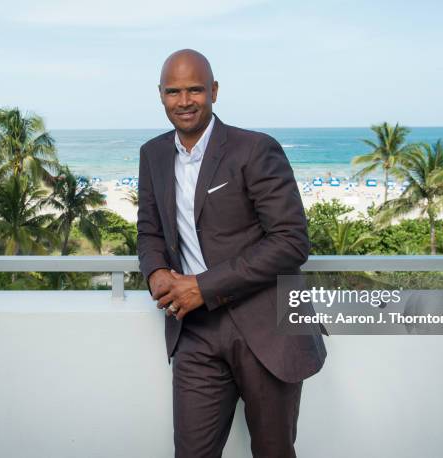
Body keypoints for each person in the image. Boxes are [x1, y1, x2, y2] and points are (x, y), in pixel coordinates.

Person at [137, 49, 326, 458]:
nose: (184, 101)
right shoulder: (152, 154)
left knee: (272, 452)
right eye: (173, 91)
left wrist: (203, 287)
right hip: (195, 332)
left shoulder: (254, 149)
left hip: (265, 326)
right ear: (160, 95)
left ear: (214, 92)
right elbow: (149, 230)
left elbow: (292, 240)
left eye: (194, 90)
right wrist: (155, 274)